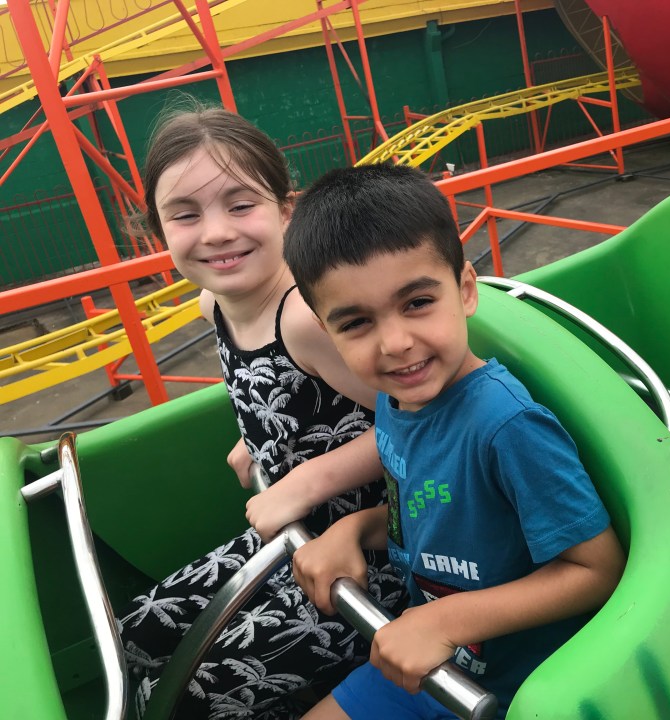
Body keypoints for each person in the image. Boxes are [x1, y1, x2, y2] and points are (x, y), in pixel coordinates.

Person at [284, 164, 627, 719]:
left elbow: (597, 569)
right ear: (327, 333)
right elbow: (420, 513)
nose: (395, 344)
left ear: (465, 290)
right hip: (426, 665)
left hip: (514, 693)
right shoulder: (396, 403)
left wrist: (445, 621)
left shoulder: (505, 426)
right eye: (356, 324)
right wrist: (351, 529)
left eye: (417, 302)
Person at [117, 108, 405, 719]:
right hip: (285, 533)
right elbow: (279, 394)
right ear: (156, 230)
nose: (217, 232)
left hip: (372, 557)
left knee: (189, 698)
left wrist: (305, 478)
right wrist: (260, 439)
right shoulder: (212, 305)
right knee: (135, 634)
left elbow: (425, 424)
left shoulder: (304, 319)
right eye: (186, 215)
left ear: (285, 210)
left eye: (240, 204)